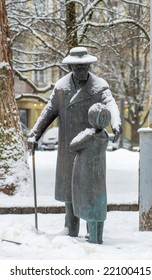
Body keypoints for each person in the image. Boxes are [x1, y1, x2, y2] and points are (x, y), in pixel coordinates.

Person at [28, 47, 121, 237]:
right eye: (77, 67)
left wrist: (116, 122)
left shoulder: (99, 86)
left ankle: (92, 230)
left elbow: (110, 103)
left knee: (90, 189)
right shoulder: (61, 88)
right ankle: (70, 230)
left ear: (89, 65)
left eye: (84, 66)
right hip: (68, 147)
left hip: (89, 148)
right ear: (70, 66)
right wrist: (34, 134)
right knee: (69, 191)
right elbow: (48, 112)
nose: (81, 70)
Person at [70, 103, 111, 244]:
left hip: (86, 175)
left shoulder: (89, 136)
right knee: (99, 206)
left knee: (90, 205)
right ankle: (98, 237)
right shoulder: (105, 135)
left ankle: (94, 238)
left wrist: (86, 135)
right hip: (99, 176)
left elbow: (73, 146)